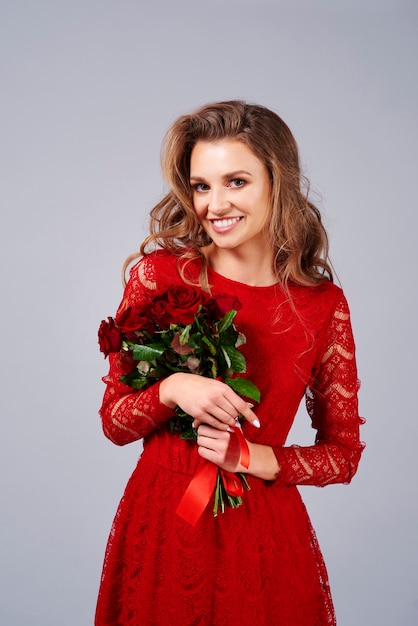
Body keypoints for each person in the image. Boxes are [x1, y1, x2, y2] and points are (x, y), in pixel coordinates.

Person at [95, 100, 365, 626]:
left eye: (235, 181)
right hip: (165, 522)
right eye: (201, 186)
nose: (215, 204)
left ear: (276, 182)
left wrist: (258, 460)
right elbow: (114, 421)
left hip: (263, 532)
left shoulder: (322, 305)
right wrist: (173, 386)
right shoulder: (159, 277)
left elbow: (344, 454)